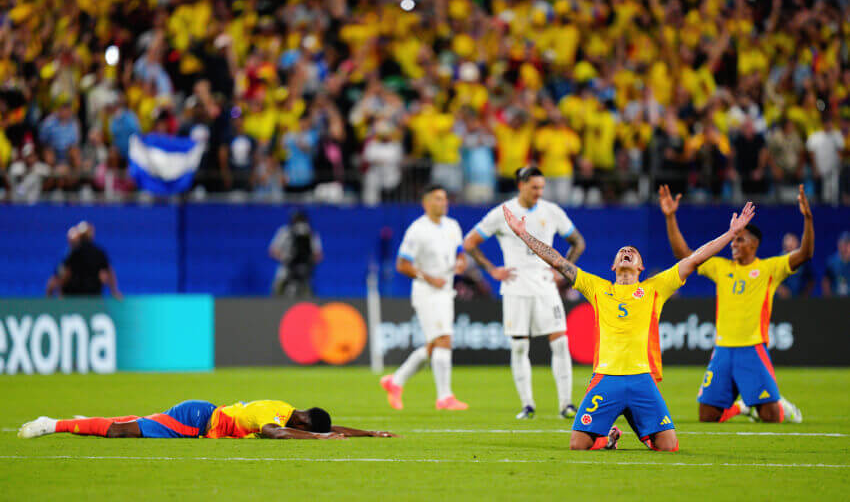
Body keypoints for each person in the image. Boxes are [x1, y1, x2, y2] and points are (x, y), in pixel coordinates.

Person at [502, 200, 756, 451]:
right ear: (613, 266)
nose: (627, 252)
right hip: (606, 378)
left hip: (641, 379)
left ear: (640, 267)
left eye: (632, 252)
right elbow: (558, 261)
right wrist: (523, 234)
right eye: (622, 251)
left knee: (668, 447)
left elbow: (696, 257)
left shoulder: (655, 288)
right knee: (578, 445)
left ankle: (639, 428)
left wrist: (731, 233)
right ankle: (609, 436)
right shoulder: (598, 288)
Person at [659, 184, 813, 423]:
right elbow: (684, 255)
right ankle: (742, 408)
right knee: (707, 416)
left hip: (752, 348)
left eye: (740, 240)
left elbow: (805, 254)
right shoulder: (721, 268)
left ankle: (783, 407)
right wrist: (670, 217)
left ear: (754, 244)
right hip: (722, 349)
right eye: (733, 241)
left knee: (772, 417)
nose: (734, 244)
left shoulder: (769, 268)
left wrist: (808, 219)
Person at [463, 166, 586, 419]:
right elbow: (469, 242)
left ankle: (566, 404)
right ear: (521, 185)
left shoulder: (552, 211)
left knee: (561, 343)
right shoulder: (502, 213)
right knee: (519, 347)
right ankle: (527, 404)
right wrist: (491, 270)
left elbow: (578, 242)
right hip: (516, 286)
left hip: (545, 286)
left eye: (541, 187)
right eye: (534, 187)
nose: (539, 193)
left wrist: (562, 272)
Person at [381, 184, 469, 411]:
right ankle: (445, 397)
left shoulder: (453, 226)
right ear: (426, 203)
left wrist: (461, 262)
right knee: (444, 340)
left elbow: (460, 254)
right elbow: (402, 264)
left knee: (433, 345)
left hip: (446, 291)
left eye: (445, 198)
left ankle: (395, 381)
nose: (443, 203)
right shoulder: (417, 230)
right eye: (438, 199)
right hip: (426, 292)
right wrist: (428, 277)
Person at [18, 399, 396, 440]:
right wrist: (318, 441)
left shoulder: (290, 409)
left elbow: (328, 427)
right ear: (302, 425)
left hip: (201, 413)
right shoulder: (273, 418)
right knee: (122, 433)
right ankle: (52, 424)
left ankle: (82, 420)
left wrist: (369, 433)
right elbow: (274, 434)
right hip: (198, 420)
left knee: (139, 420)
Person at [56, 222, 122, 298]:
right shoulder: (98, 252)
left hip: (76, 296)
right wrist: (114, 291)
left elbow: (65, 274)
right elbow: (109, 272)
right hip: (92, 295)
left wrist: (60, 292)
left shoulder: (73, 252)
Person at [269, 211, 323, 297]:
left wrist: (307, 262)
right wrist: (286, 259)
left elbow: (318, 255)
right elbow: (273, 251)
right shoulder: (285, 232)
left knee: (307, 294)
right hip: (286, 269)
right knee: (278, 290)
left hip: (305, 271)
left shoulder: (311, 234)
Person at [777, 233, 815, 298]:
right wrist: (781, 290)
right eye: (788, 246)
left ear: (797, 244)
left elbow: (811, 279)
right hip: (782, 300)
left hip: (799, 299)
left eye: (792, 245)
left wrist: (805, 294)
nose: (790, 248)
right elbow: (771, 280)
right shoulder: (778, 261)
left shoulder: (803, 260)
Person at [823, 231, 850, 297]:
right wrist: (828, 297)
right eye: (843, 244)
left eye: (848, 244)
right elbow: (826, 281)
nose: (845, 247)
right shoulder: (832, 262)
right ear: (839, 245)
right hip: (836, 299)